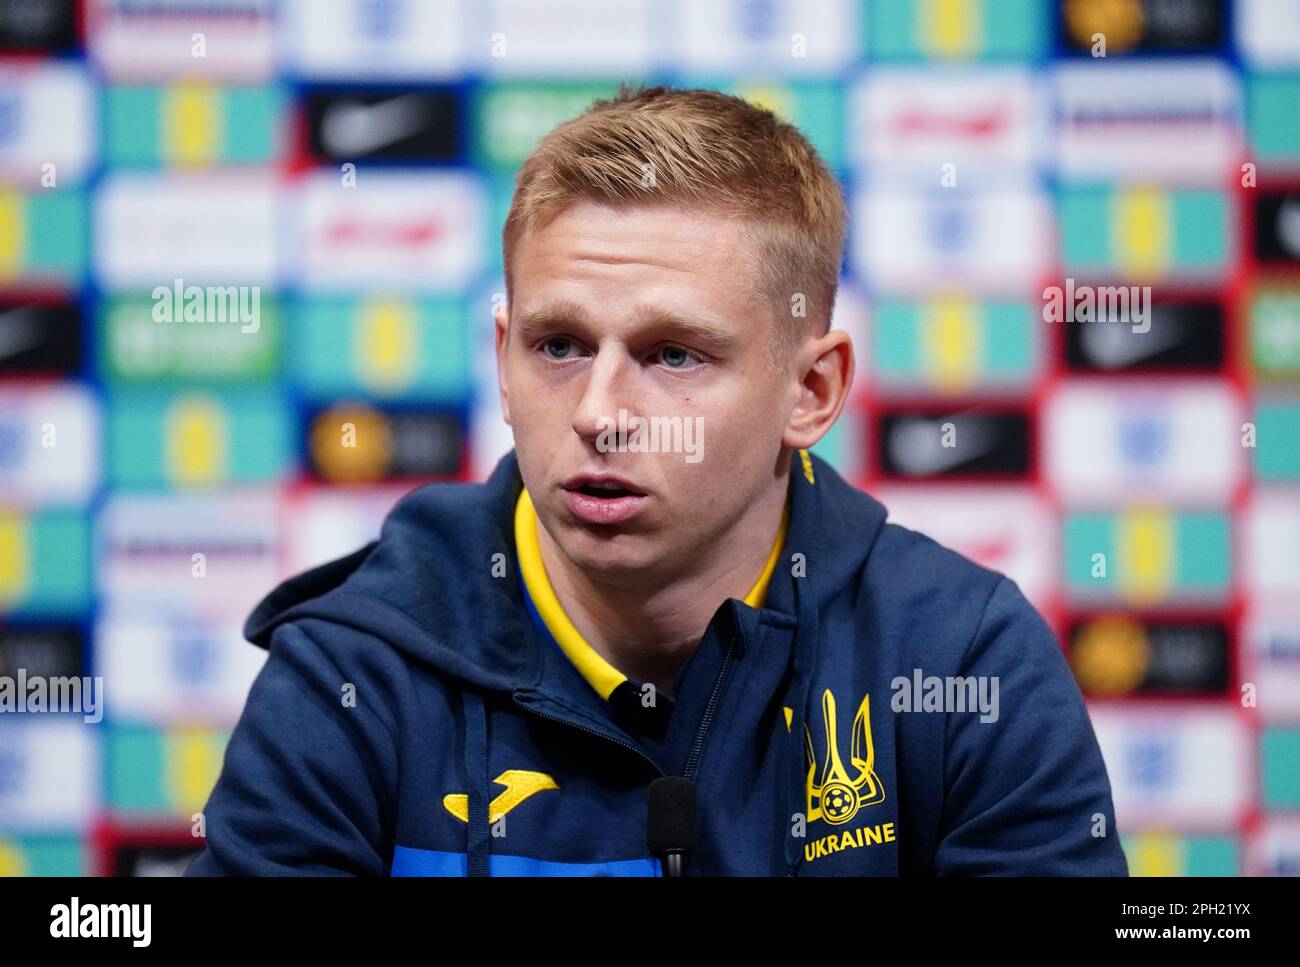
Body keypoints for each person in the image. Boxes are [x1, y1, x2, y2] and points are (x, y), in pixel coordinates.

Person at [186, 84, 1127, 876]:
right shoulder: (356, 673)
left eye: (672, 354)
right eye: (557, 345)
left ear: (811, 390)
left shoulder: (960, 662)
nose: (599, 410)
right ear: (501, 357)